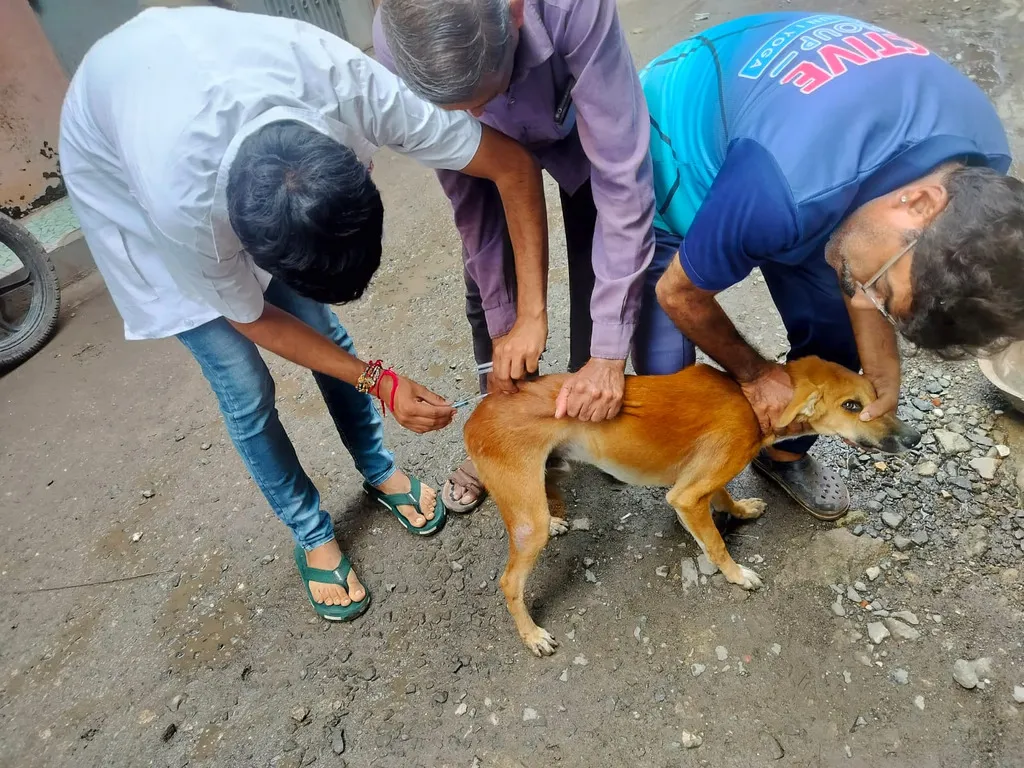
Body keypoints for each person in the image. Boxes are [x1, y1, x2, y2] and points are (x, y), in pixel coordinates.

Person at [59, 4, 549, 622]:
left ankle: (378, 469)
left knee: (320, 327)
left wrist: (529, 314)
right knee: (245, 385)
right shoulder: (181, 209)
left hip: (193, 77)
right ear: (246, 245)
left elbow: (511, 165)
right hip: (118, 159)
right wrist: (378, 379)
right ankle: (310, 529)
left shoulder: (348, 83)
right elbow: (253, 318)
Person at [634, 12, 1024, 520]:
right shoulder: (778, 192)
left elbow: (865, 288)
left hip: (816, 168)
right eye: (881, 285)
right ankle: (681, 473)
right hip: (677, 136)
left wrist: (882, 365)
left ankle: (780, 455)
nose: (868, 296)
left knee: (835, 336)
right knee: (672, 381)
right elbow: (678, 294)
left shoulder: (982, 159)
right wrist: (754, 374)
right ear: (921, 203)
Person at [374, 0, 656, 513]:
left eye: (488, 95)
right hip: (486, 164)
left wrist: (609, 352)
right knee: (486, 285)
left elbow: (622, 177)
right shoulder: (399, 45)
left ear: (517, 14)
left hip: (576, 132)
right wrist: (512, 324)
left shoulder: (574, 9)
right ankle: (506, 420)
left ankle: (577, 409)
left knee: (600, 251)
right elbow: (471, 201)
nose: (478, 118)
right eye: (461, 111)